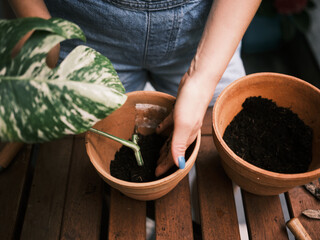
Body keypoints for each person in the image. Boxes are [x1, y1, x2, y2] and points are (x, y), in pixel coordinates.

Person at [8, 0, 261, 176]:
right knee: (75, 156)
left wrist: (202, 78)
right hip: (80, 25)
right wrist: (32, 15)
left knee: (226, 136)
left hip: (208, 28)